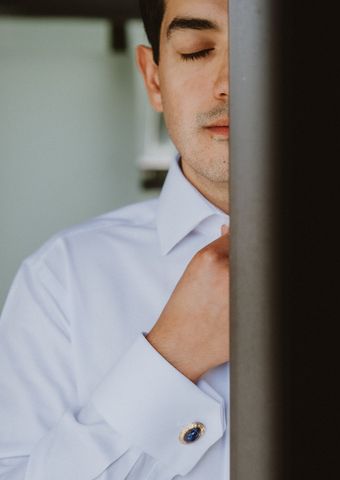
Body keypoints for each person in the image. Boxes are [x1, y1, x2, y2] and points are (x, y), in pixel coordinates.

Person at [0, 0, 232, 478]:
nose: (228, 84)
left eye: (260, 51)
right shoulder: (61, 279)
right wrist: (172, 357)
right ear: (153, 78)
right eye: (197, 50)